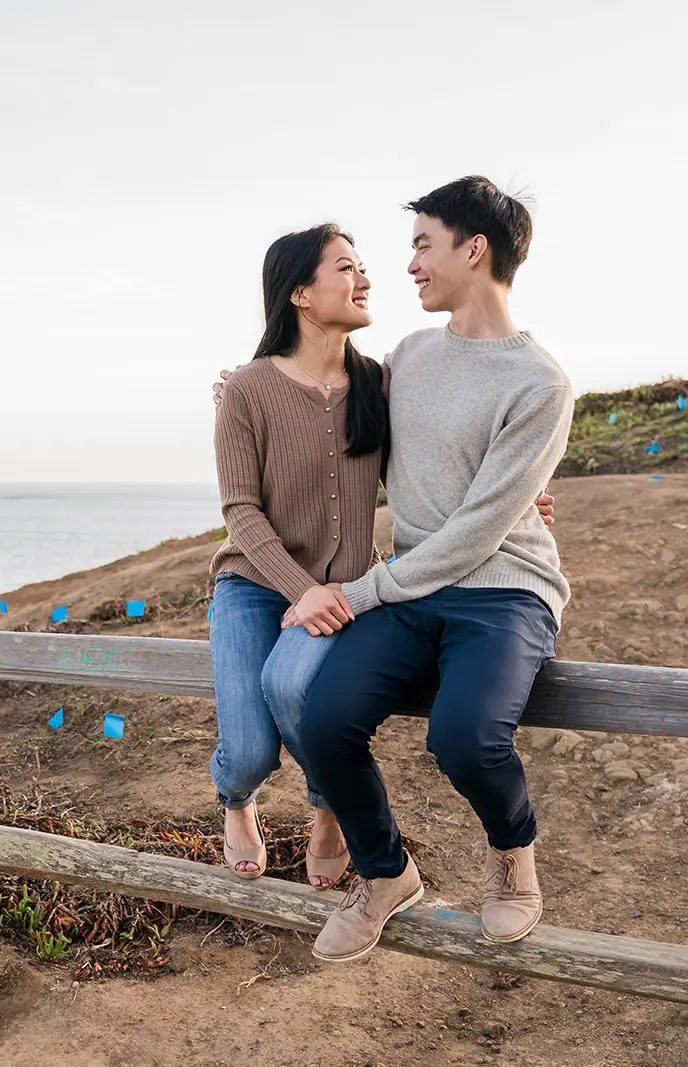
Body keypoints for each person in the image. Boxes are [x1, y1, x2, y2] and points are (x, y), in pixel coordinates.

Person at [265, 176, 573, 962]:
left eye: (422, 245)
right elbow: (327, 402)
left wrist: (360, 591)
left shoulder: (541, 384)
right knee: (321, 719)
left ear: (474, 250)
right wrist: (250, 386)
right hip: (415, 589)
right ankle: (386, 872)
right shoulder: (407, 355)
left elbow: (476, 534)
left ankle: (512, 853)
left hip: (504, 594)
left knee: (465, 737)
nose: (408, 266)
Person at [208, 218, 557, 890]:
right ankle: (237, 799)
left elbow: (448, 450)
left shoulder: (380, 382)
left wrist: (527, 495)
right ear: (300, 294)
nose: (367, 278)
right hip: (254, 583)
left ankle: (328, 808)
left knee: (293, 685)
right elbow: (240, 513)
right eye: (346, 267)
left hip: (345, 585)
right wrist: (298, 588)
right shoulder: (248, 389)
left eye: (363, 266)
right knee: (249, 749)